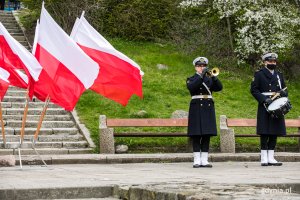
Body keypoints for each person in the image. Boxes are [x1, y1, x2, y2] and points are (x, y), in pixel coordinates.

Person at [250, 52, 287, 166]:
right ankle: (264, 157)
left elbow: (284, 89)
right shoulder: (259, 74)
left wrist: (284, 94)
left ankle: (271, 157)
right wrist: (264, 99)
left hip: (276, 105)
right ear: (265, 62)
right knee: (265, 131)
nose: (272, 63)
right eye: (270, 61)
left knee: (274, 131)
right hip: (265, 105)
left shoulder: (278, 74)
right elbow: (254, 90)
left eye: (274, 61)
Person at [186, 57, 223, 168]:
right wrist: (201, 76)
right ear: (195, 67)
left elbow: (219, 88)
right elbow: (192, 87)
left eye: (203, 66)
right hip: (196, 106)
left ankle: (205, 159)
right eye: (199, 66)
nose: (201, 67)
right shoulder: (191, 78)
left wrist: (214, 77)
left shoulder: (209, 79)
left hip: (208, 107)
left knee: (207, 134)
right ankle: (197, 159)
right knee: (196, 134)